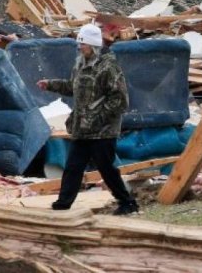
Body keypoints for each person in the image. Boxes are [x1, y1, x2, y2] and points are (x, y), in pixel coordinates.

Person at [37, 23, 139, 215]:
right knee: (73, 167)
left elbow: (120, 99)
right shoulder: (80, 64)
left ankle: (127, 202)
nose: (79, 47)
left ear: (92, 45)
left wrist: (98, 118)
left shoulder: (109, 67)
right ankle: (63, 204)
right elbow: (73, 87)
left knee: (106, 168)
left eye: (82, 44)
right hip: (82, 128)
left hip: (103, 131)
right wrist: (51, 84)